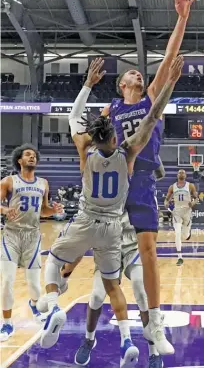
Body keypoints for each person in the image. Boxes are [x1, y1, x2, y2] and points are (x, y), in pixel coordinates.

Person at [40, 56, 183, 365]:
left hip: (95, 223)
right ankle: (129, 341)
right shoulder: (128, 157)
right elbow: (152, 119)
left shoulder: (84, 151)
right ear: (116, 136)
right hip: (113, 230)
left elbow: (75, 118)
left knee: (63, 268)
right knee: (120, 290)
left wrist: (88, 85)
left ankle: (54, 298)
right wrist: (170, 83)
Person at [101, 0, 194, 353]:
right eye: (131, 75)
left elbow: (170, 53)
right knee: (101, 258)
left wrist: (182, 18)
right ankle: (52, 295)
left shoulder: (153, 94)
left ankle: (155, 325)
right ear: (122, 86)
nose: (139, 74)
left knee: (150, 251)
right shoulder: (110, 110)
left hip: (141, 183)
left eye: (141, 73)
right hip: (113, 181)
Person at [38, 213, 164, 368]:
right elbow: (84, 239)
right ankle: (89, 339)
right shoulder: (103, 196)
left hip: (134, 245)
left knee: (141, 290)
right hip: (108, 245)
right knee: (97, 296)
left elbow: (151, 229)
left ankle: (154, 351)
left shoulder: (142, 191)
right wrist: (65, 275)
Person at [0, 144, 63, 342]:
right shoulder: (9, 181)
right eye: (27, 155)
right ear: (19, 160)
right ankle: (7, 324)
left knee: (35, 284)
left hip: (33, 237)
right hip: (11, 235)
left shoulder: (43, 183)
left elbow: (43, 210)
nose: (32, 157)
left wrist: (53, 211)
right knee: (8, 281)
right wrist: (4, 211)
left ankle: (35, 307)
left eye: (34, 155)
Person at [164, 169, 198, 266]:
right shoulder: (172, 187)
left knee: (185, 235)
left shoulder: (190, 185)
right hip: (177, 211)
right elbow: (166, 200)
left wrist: (193, 203)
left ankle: (188, 234)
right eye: (179, 172)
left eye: (183, 172)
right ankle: (180, 257)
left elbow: (196, 198)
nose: (181, 173)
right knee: (177, 233)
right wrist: (166, 204)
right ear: (177, 175)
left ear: (186, 175)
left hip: (187, 211)